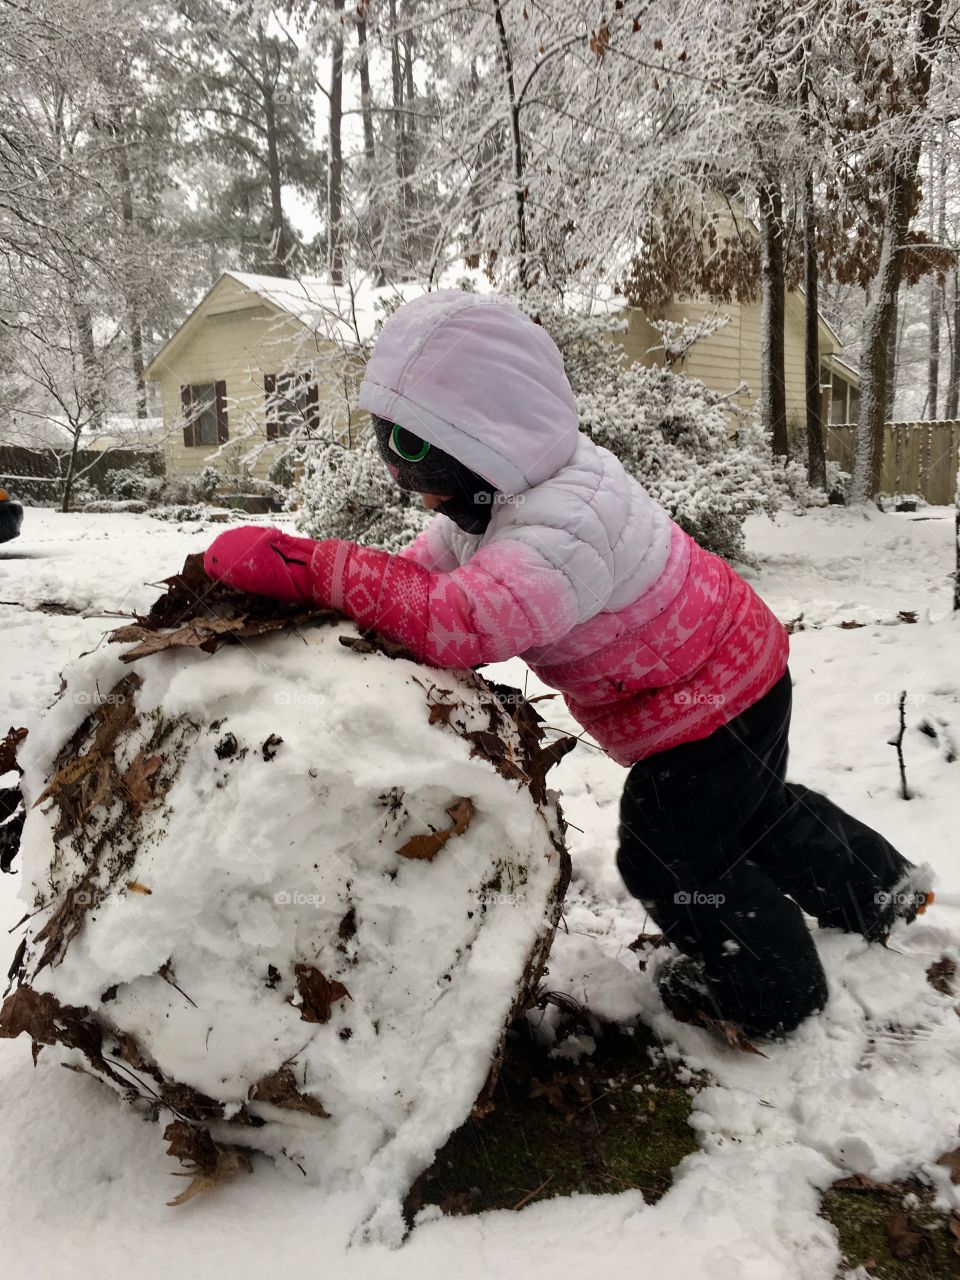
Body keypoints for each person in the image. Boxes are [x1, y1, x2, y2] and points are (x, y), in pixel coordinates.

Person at [203, 290, 934, 1040]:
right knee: (748, 813)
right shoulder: (501, 496)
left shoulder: (564, 527)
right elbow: (422, 580)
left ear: (487, 439)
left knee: (672, 855)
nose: (405, 484)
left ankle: (773, 991)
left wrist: (315, 568)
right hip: (735, 673)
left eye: (417, 455)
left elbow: (463, 621)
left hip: (712, 700)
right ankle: (874, 887)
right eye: (390, 445)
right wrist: (336, 591)